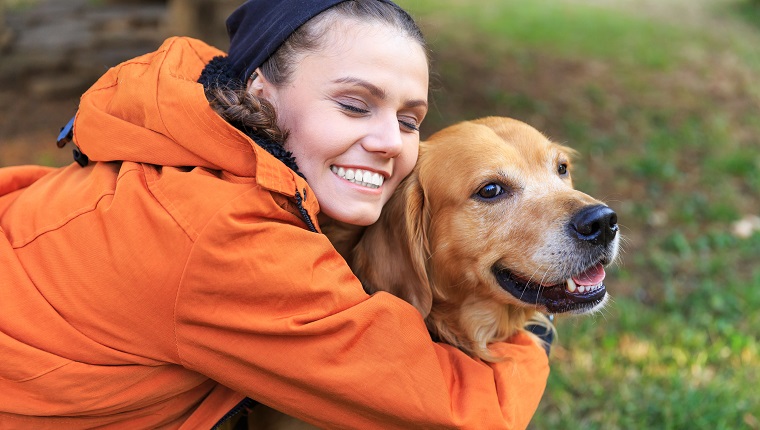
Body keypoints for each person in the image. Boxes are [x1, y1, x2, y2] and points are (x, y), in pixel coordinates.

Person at [0, 0, 550, 428]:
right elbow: (456, 410)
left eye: (409, 120)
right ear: (261, 91)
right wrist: (534, 340)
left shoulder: (188, 144)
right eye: (355, 105)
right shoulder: (227, 241)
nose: (388, 141)